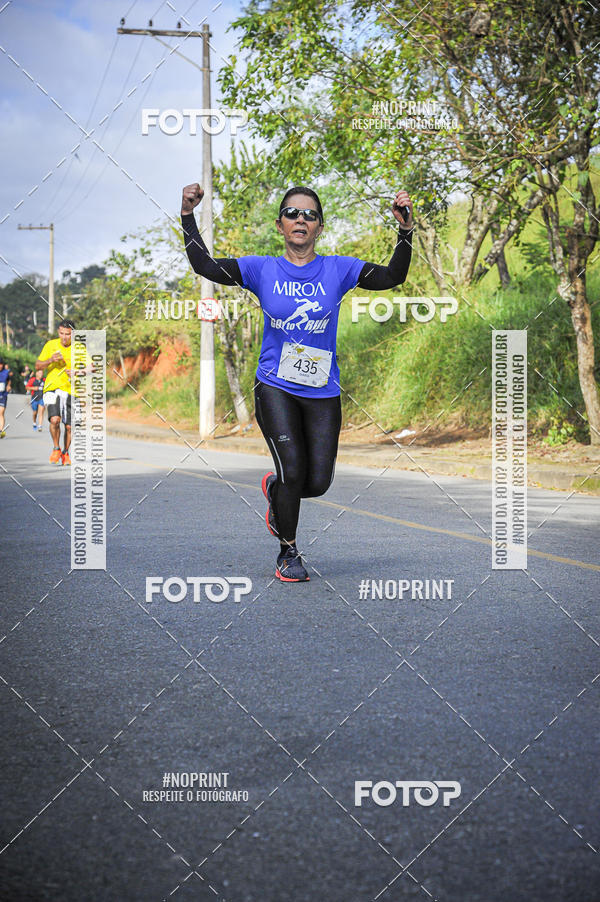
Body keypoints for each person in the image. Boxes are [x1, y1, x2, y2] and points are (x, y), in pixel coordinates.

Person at [181, 183, 413, 581]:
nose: (300, 219)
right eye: (292, 213)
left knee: (317, 482)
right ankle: (288, 552)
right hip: (275, 385)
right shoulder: (261, 269)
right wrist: (188, 215)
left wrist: (405, 231)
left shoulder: (339, 269)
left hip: (323, 389)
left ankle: (276, 493)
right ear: (280, 225)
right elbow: (205, 266)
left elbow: (393, 276)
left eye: (309, 214)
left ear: (320, 227)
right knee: (292, 469)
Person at [35, 319, 78, 465]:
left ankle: (65, 453)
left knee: (69, 426)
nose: (64, 337)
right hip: (52, 388)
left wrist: (78, 371)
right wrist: (50, 360)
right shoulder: (50, 345)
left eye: (68, 334)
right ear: (58, 332)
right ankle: (56, 448)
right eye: (61, 333)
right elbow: (37, 366)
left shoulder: (79, 349)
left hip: (72, 390)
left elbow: (92, 368)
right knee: (54, 420)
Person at [0, 359, 12, 438]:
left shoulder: (6, 372)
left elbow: (9, 381)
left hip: (3, 394)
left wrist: (8, 386)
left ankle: (1, 430)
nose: (0, 366)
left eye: (1, 364)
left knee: (1, 412)